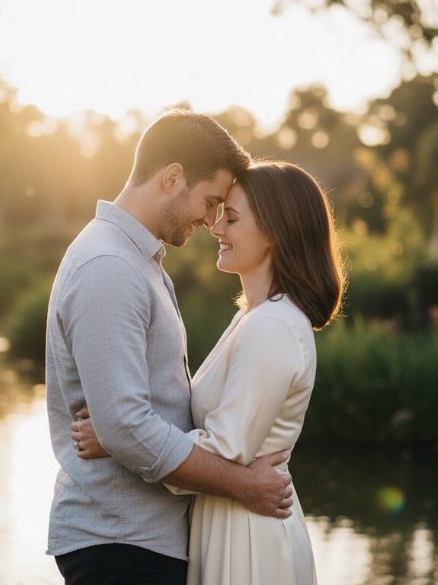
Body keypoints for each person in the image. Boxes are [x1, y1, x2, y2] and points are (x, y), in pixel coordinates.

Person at [45, 110, 296, 585]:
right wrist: (245, 486)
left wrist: (118, 436)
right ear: (173, 177)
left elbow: (130, 420)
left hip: (140, 539)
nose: (211, 219)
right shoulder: (109, 267)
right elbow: (124, 424)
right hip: (119, 543)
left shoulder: (139, 263)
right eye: (210, 201)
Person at [73, 160, 346, 585]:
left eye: (232, 219)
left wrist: (117, 437)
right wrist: (124, 428)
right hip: (226, 520)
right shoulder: (251, 318)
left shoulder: (272, 326)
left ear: (275, 233)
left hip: (248, 536)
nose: (216, 229)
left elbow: (225, 450)